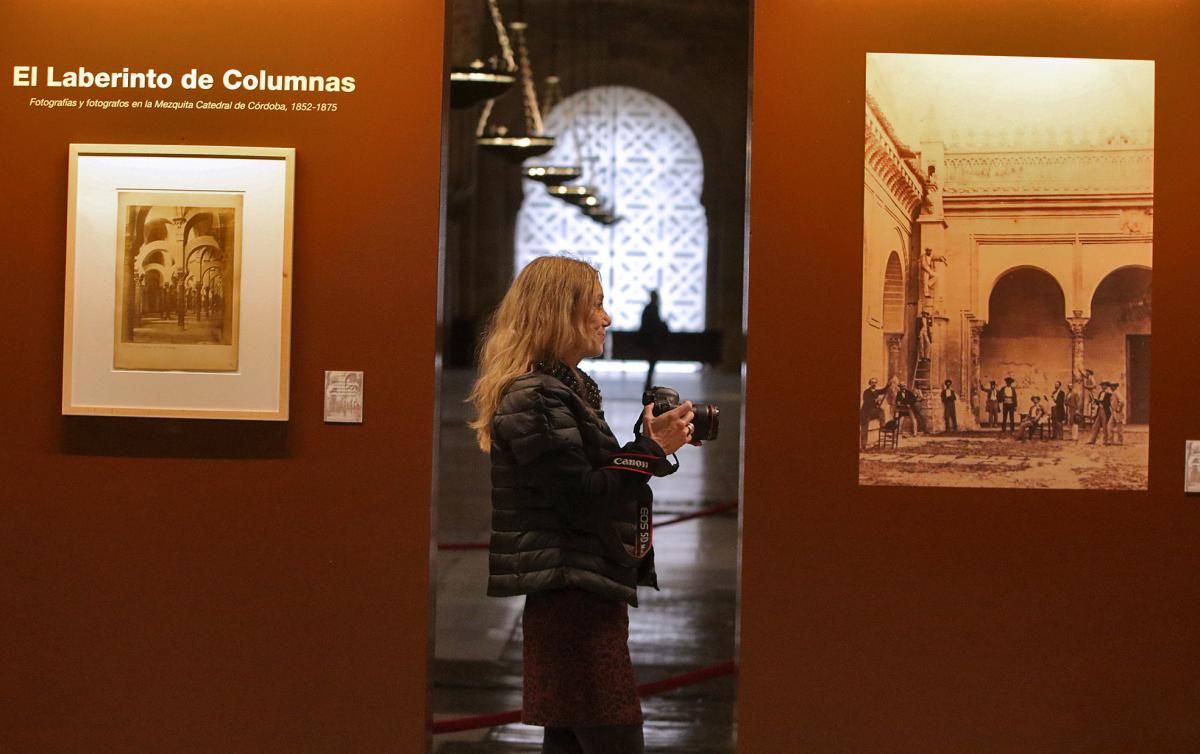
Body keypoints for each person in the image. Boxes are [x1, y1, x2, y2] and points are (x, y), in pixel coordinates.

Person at [468, 256, 696, 754]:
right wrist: (650, 451)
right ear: (559, 313)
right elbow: (581, 498)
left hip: (581, 594)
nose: (607, 317)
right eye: (596, 304)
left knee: (571, 741)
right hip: (572, 602)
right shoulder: (537, 398)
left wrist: (647, 445)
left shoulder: (563, 391)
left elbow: (587, 481)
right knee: (613, 739)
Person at [638, 290, 669, 393]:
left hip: (649, 342)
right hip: (653, 343)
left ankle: (648, 385)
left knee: (651, 364)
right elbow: (655, 326)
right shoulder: (653, 309)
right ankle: (648, 385)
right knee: (652, 364)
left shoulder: (649, 309)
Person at [860, 377, 885, 450]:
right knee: (864, 428)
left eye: (875, 382)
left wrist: (889, 384)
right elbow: (867, 401)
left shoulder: (876, 391)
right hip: (865, 412)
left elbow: (883, 390)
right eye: (872, 382)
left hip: (872, 411)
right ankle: (863, 446)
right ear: (870, 383)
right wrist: (875, 400)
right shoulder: (866, 392)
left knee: (881, 411)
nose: (874, 384)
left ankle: (883, 426)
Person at [1087, 381, 1113, 446]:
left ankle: (1106, 441)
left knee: (1105, 426)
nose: (1102, 386)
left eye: (1103, 385)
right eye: (1101, 385)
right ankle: (1092, 440)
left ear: (1106, 386)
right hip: (1099, 410)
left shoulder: (1109, 394)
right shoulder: (1101, 393)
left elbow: (1107, 403)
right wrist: (1096, 401)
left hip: (1105, 411)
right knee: (1095, 425)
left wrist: (1099, 401)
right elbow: (1099, 403)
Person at [1108, 381, 1126, 445]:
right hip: (1113, 412)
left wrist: (1118, 409)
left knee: (1119, 427)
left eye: (1113, 386)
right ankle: (1111, 440)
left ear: (1116, 387)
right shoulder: (1113, 393)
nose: (1111, 387)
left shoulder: (1117, 393)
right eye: (1111, 386)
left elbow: (1122, 401)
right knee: (1110, 426)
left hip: (1118, 413)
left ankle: (1120, 441)